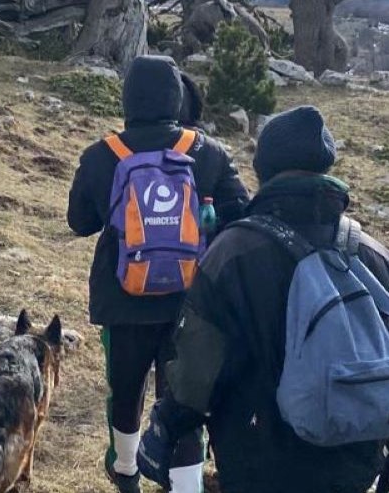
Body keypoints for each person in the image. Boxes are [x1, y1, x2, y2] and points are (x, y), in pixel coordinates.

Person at [138, 105, 389, 493]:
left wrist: (166, 427)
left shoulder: (232, 253)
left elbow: (198, 367)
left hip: (259, 458)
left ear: (263, 170)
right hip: (356, 455)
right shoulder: (376, 256)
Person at [67, 55, 251, 493]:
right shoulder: (207, 152)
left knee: (126, 391)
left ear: (127, 98)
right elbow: (241, 215)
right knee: (185, 398)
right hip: (192, 303)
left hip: (122, 299)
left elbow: (79, 221)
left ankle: (126, 471)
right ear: (176, 96)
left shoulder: (102, 155)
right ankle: (186, 486)